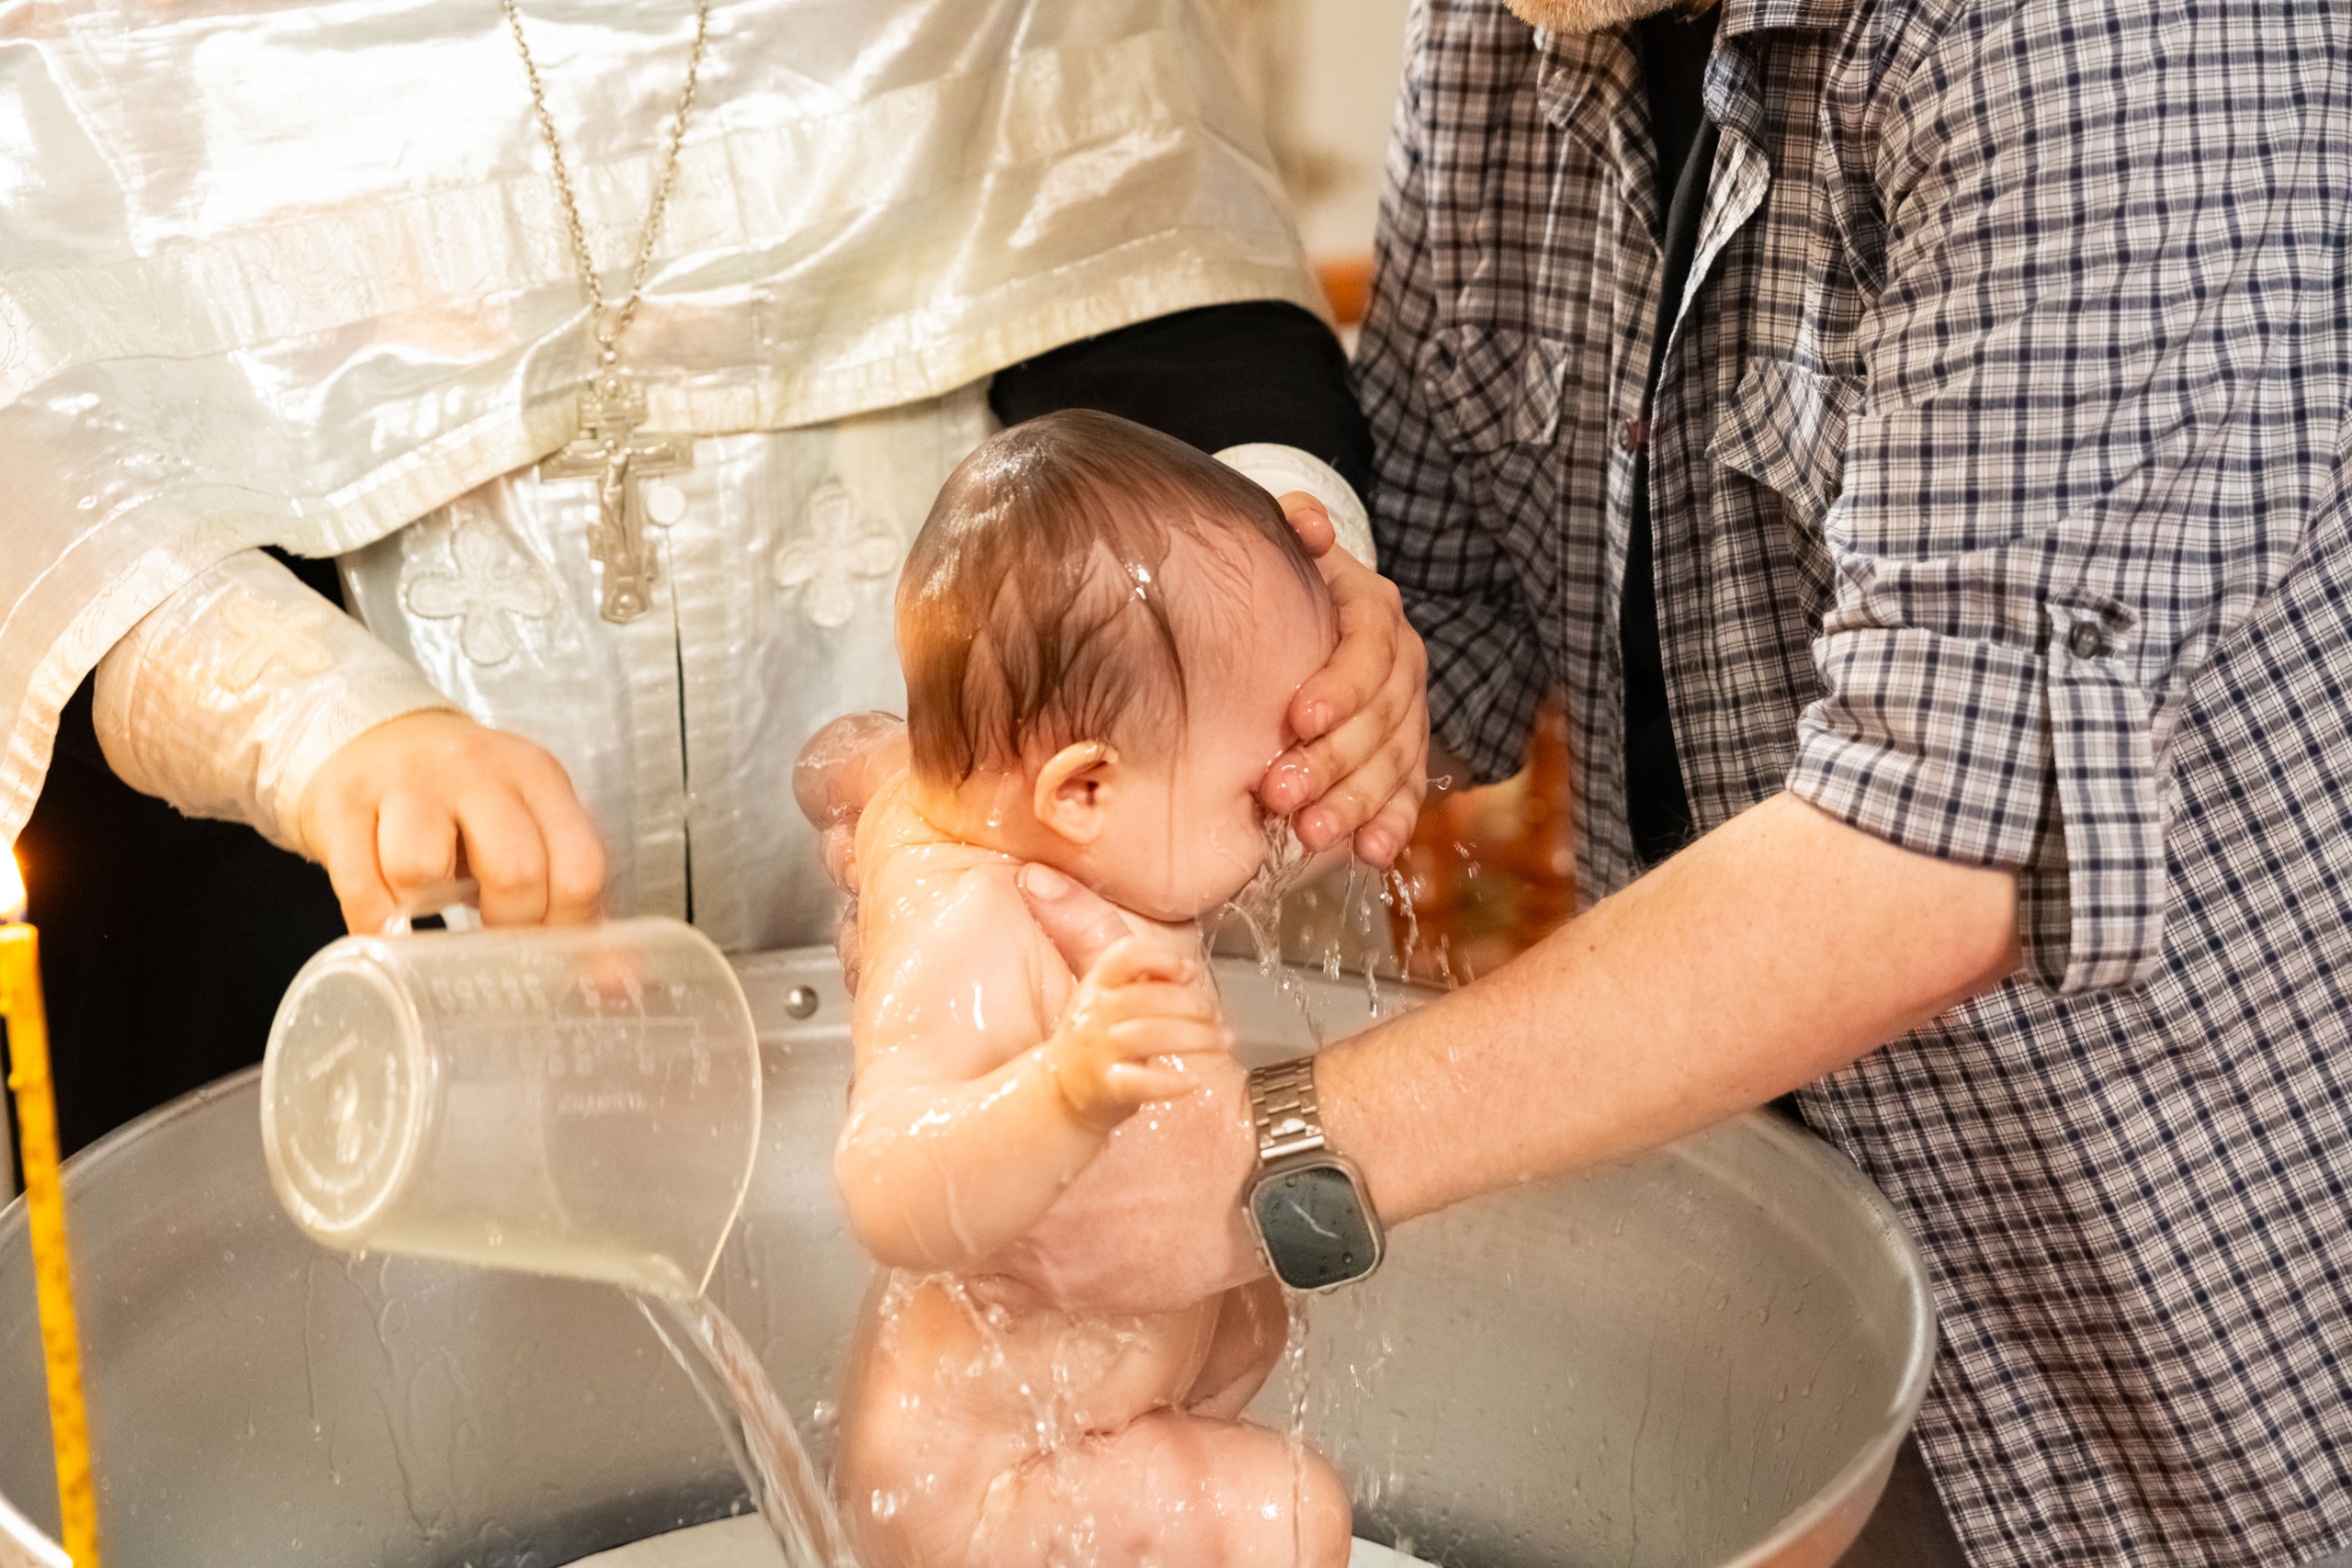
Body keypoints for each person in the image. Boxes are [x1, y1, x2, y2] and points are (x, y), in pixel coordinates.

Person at [861, 0, 2350, 1564]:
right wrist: (985, 810)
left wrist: (1260, 1157)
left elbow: (1937, 846)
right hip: (1772, 1287)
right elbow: (1431, 611)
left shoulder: (2106, 39)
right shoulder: (1522, 35)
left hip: (2191, 1344)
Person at [0, 0, 1424, 1147]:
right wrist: (327, 727)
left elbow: (1160, 295)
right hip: (331, 1013)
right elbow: (55, 433)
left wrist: (1297, 594)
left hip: (984, 976)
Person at [820, 412, 1350, 1566]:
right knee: (1288, 1516)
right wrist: (1063, 1089)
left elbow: (853, 764)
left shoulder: (979, 820)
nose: (1281, 826)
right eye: (1252, 804)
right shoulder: (979, 929)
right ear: (1083, 791)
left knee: (1254, 1306)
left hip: (1081, 1423)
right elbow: (887, 1184)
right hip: (985, 1490)